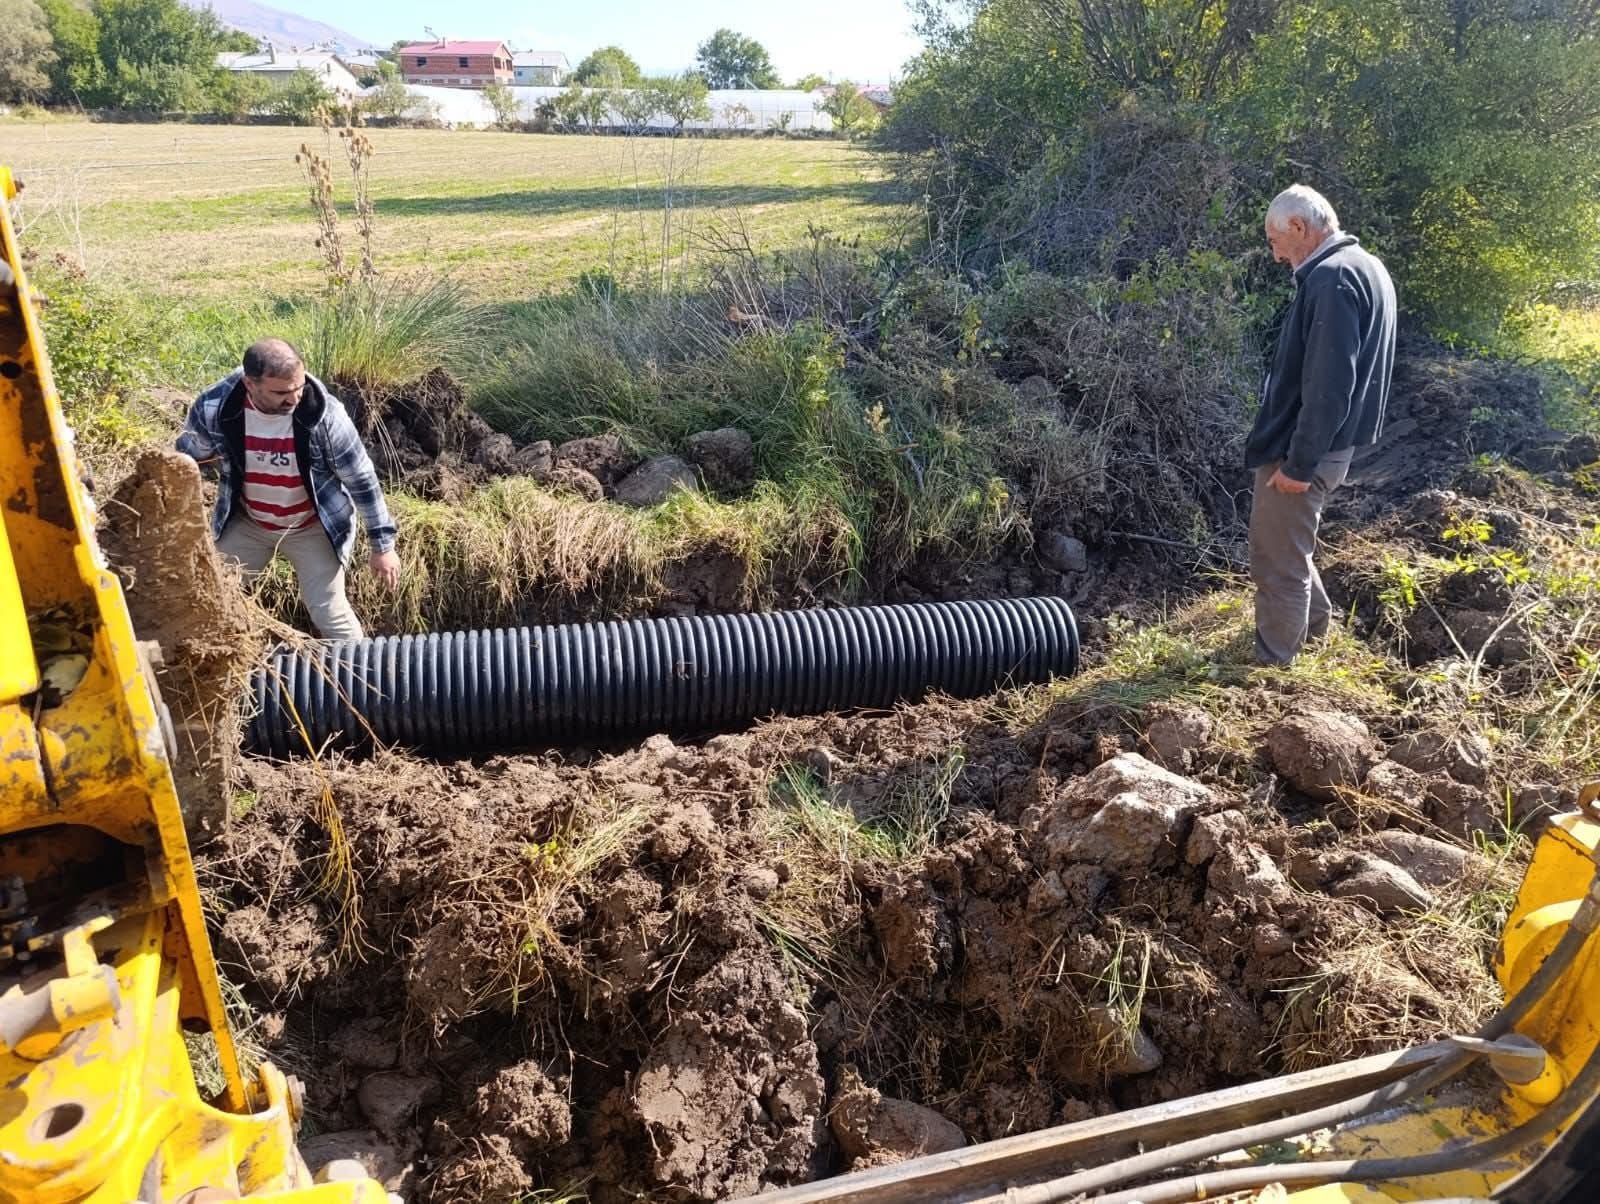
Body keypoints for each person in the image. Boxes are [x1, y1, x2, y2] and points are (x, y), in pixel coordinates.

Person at [1246, 184, 1396, 666]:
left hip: (1306, 448)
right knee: (1291, 548)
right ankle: (1314, 634)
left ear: (1298, 227)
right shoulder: (1365, 268)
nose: (1275, 255)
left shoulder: (1332, 279)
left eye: (1274, 241)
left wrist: (1299, 462)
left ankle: (1273, 668)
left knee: (1277, 562)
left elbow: (1330, 384)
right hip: (1330, 447)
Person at [178, 338, 399, 640]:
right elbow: (189, 457)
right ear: (249, 384)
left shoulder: (325, 416)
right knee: (212, 597)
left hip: (311, 526)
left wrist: (382, 547)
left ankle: (364, 677)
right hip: (249, 522)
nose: (294, 398)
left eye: (298, 387)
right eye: (280, 392)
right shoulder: (216, 407)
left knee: (327, 610)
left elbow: (362, 480)